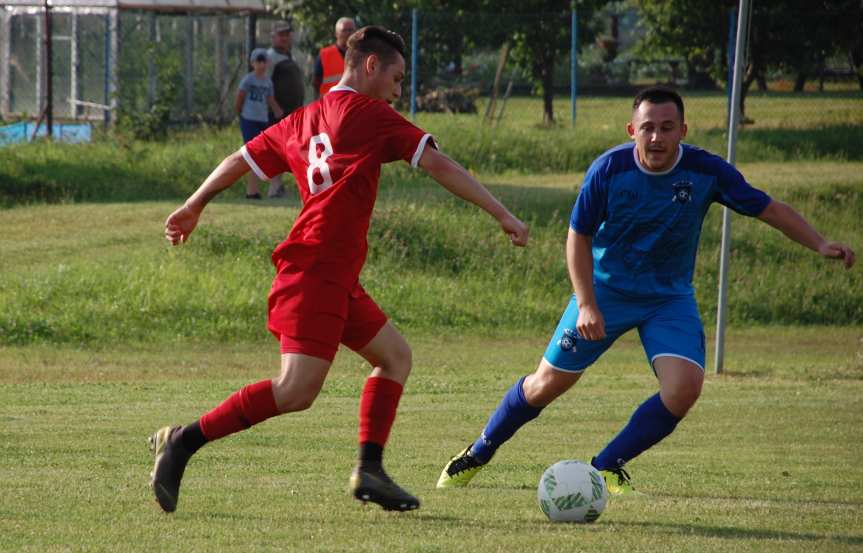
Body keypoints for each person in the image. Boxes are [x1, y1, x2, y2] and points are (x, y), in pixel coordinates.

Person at [150, 25, 529, 514]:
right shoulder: (372, 114)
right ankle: (182, 441)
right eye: (396, 77)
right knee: (295, 390)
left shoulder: (303, 119)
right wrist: (502, 213)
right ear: (370, 66)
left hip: (333, 274)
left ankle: (370, 469)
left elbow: (239, 159)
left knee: (394, 356)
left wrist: (194, 204)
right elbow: (439, 164)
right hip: (313, 268)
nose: (398, 90)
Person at [436, 86, 856, 495]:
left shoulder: (706, 171)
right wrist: (586, 304)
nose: (657, 137)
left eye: (667, 127)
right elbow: (577, 236)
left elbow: (768, 208)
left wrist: (819, 242)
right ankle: (478, 452)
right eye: (648, 127)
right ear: (631, 130)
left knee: (684, 388)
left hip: (667, 299)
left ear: (683, 131)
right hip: (604, 292)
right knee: (545, 385)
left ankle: (606, 465)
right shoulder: (609, 170)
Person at [235, 48, 283, 200]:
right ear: (252, 63)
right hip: (249, 119)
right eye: (258, 61)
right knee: (251, 155)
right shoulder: (248, 80)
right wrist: (240, 114)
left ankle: (260, 190)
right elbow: (240, 97)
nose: (261, 65)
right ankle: (251, 191)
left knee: (263, 154)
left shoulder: (268, 81)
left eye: (264, 61)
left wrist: (277, 110)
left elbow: (270, 99)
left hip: (262, 119)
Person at [265, 22, 305, 199]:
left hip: (291, 112)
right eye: (281, 35)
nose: (284, 37)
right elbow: (263, 85)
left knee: (289, 149)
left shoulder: (288, 55)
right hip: (277, 113)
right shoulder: (270, 57)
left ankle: (278, 186)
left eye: (287, 34)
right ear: (273, 37)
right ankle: (274, 188)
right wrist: (275, 108)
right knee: (277, 149)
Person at [313, 17, 356, 98]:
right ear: (336, 34)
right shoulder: (324, 55)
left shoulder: (361, 54)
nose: (348, 33)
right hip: (330, 105)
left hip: (354, 103)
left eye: (351, 30)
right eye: (344, 30)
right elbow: (316, 83)